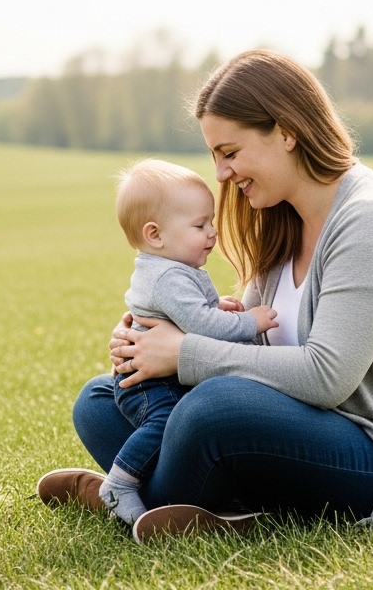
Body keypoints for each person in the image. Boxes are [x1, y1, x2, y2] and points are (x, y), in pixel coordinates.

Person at [37, 49, 373, 542]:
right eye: (215, 157)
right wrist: (148, 340)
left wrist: (181, 353)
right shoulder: (281, 220)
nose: (222, 174)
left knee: (215, 409)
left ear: (286, 131)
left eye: (230, 152)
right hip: (300, 429)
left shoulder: (372, 218)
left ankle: (137, 498)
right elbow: (247, 347)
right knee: (102, 399)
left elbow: (326, 377)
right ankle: (172, 504)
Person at [100, 159, 280, 524]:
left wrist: (217, 306)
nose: (212, 233)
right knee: (164, 421)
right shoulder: (168, 277)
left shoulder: (171, 268)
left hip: (163, 374)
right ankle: (119, 485)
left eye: (210, 221)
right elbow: (202, 326)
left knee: (184, 420)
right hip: (152, 382)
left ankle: (154, 495)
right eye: (200, 225)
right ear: (155, 235)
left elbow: (195, 313)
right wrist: (249, 320)